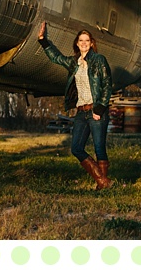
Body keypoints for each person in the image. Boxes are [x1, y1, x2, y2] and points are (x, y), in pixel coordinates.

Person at [38, 21, 113, 190]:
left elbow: (107, 84)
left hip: (96, 110)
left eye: (87, 41)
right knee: (76, 148)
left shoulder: (99, 60)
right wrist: (43, 41)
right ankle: (103, 181)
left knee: (99, 148)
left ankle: (102, 184)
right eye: (81, 41)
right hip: (81, 112)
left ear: (91, 43)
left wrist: (100, 108)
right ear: (77, 44)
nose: (84, 43)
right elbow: (57, 58)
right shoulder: (74, 62)